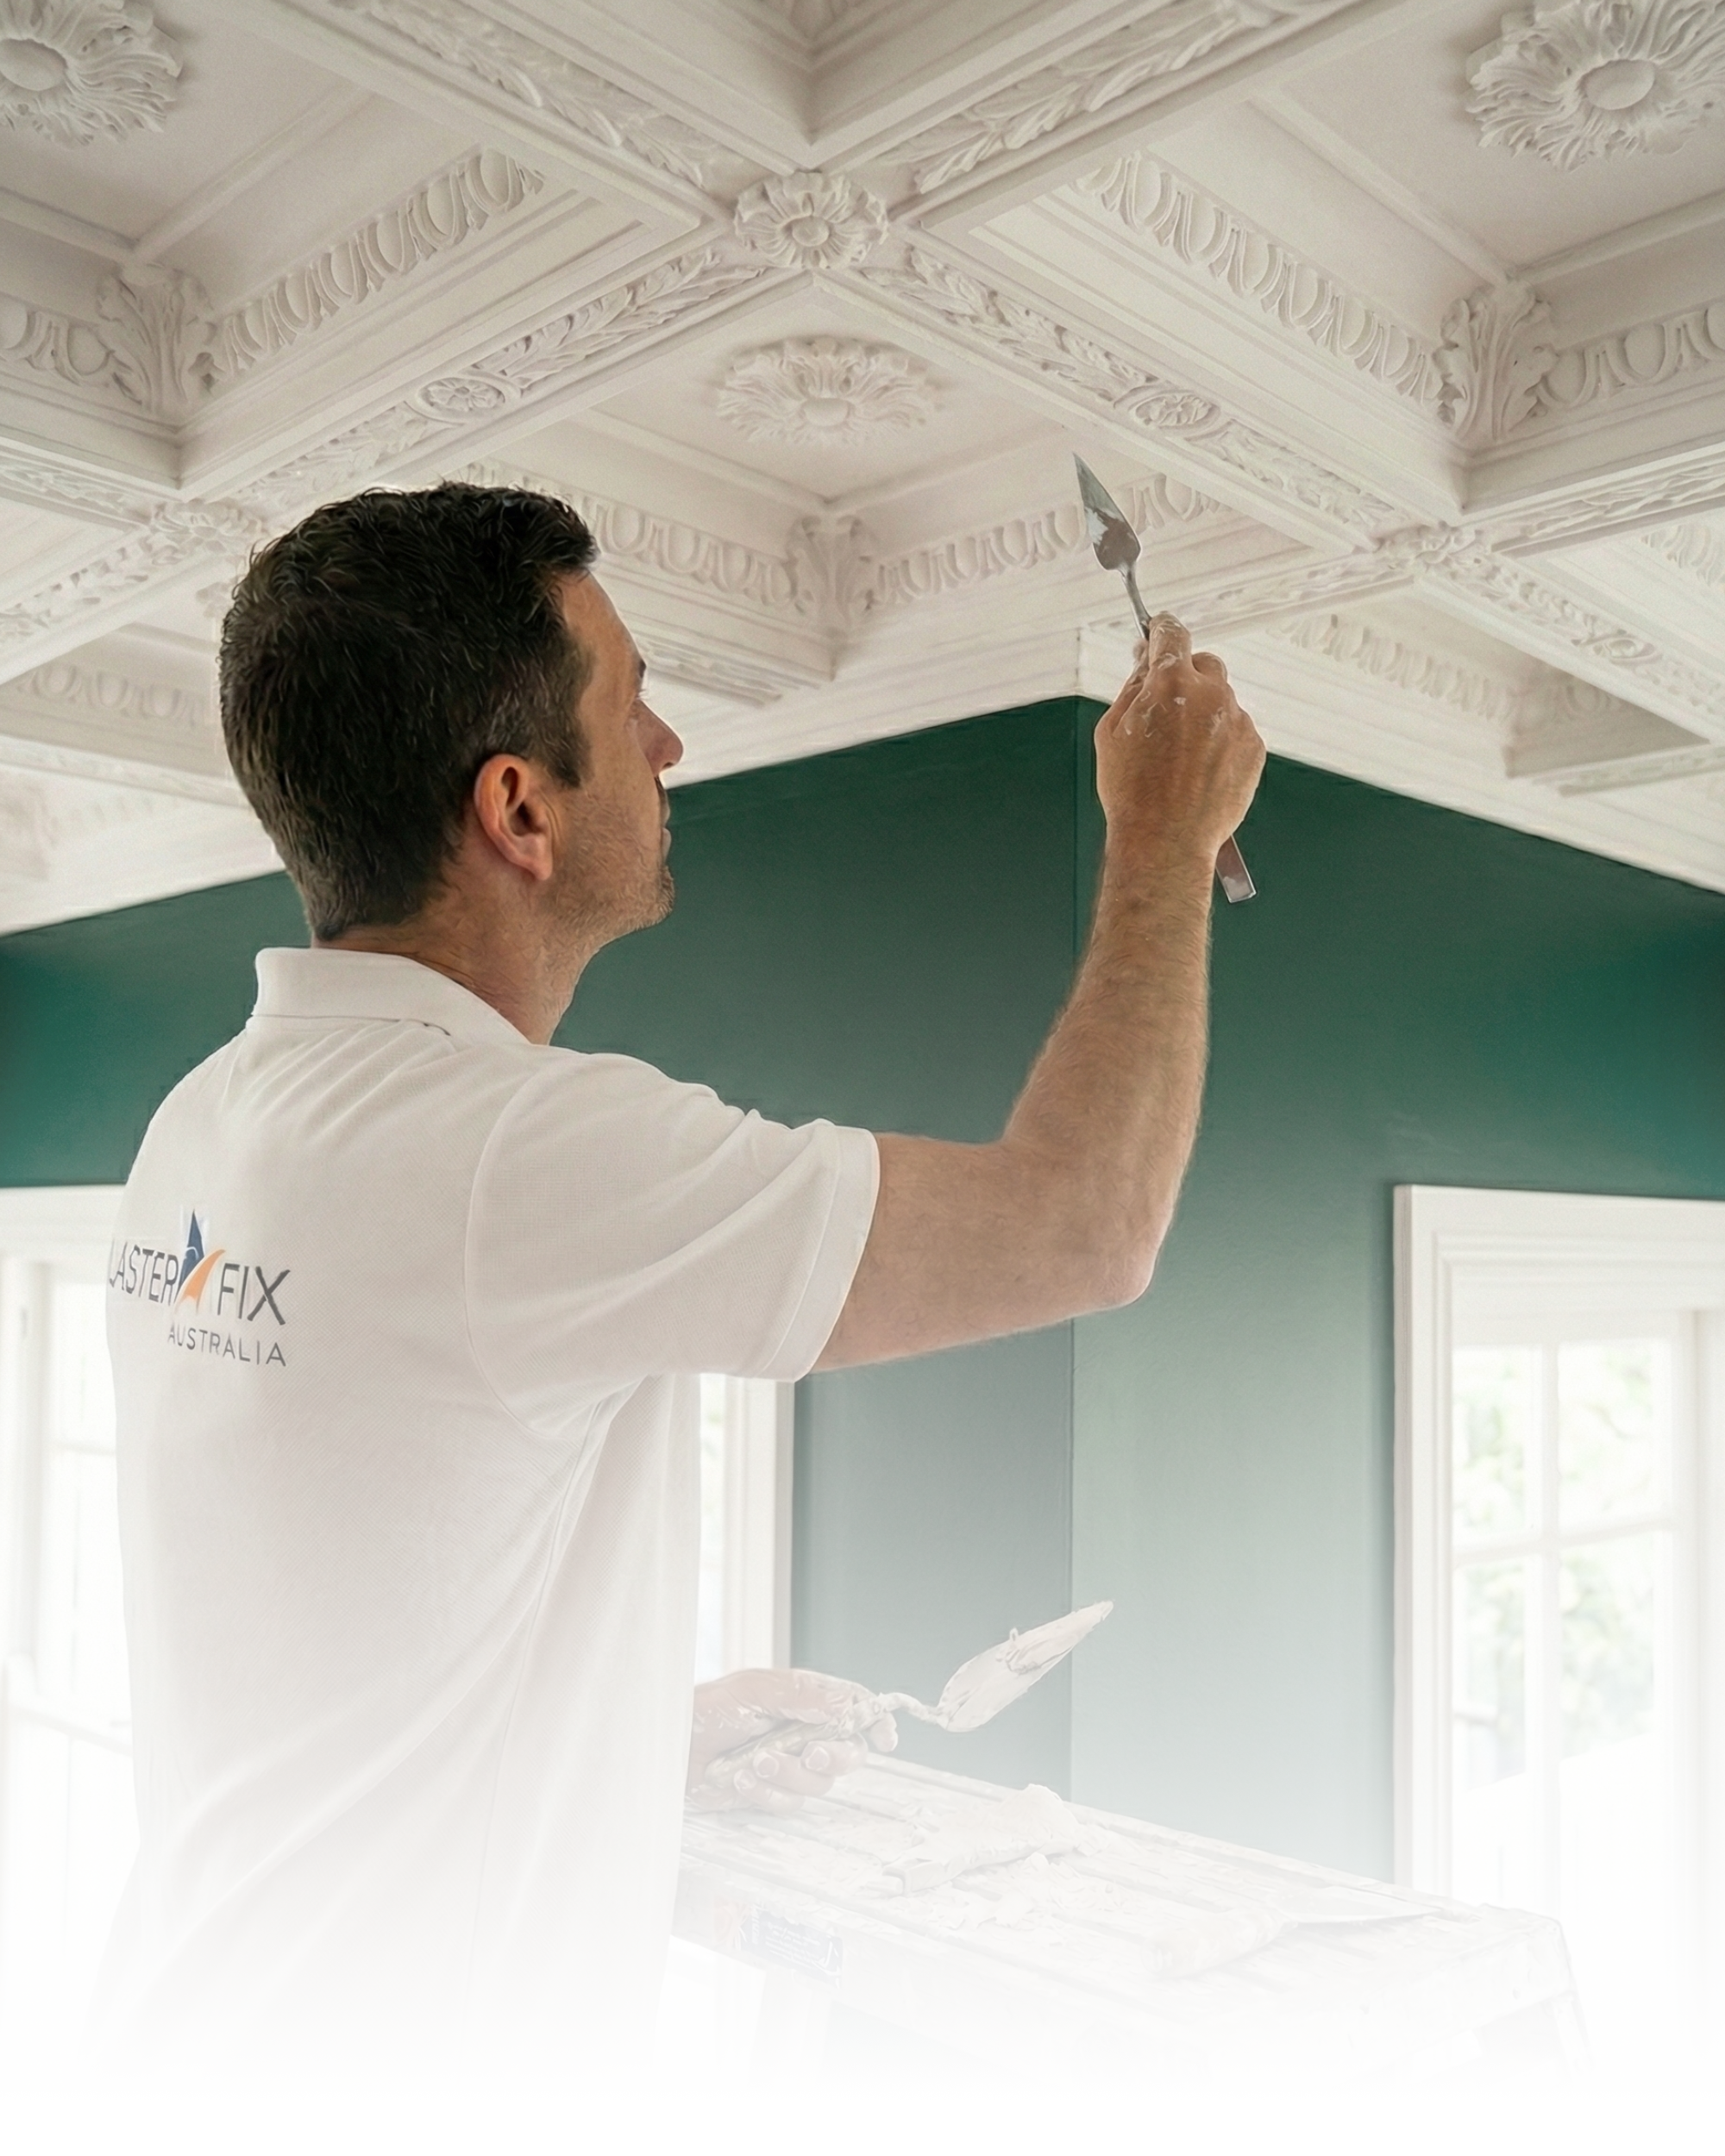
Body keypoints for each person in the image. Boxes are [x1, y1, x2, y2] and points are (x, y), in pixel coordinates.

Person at [71, 484, 1264, 2098]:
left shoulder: (206, 1114)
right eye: (631, 708)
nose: (670, 747)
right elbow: (1084, 1228)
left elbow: (328, 1604)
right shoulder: (511, 1148)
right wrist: (1164, 846)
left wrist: (615, 1734)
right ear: (521, 808)